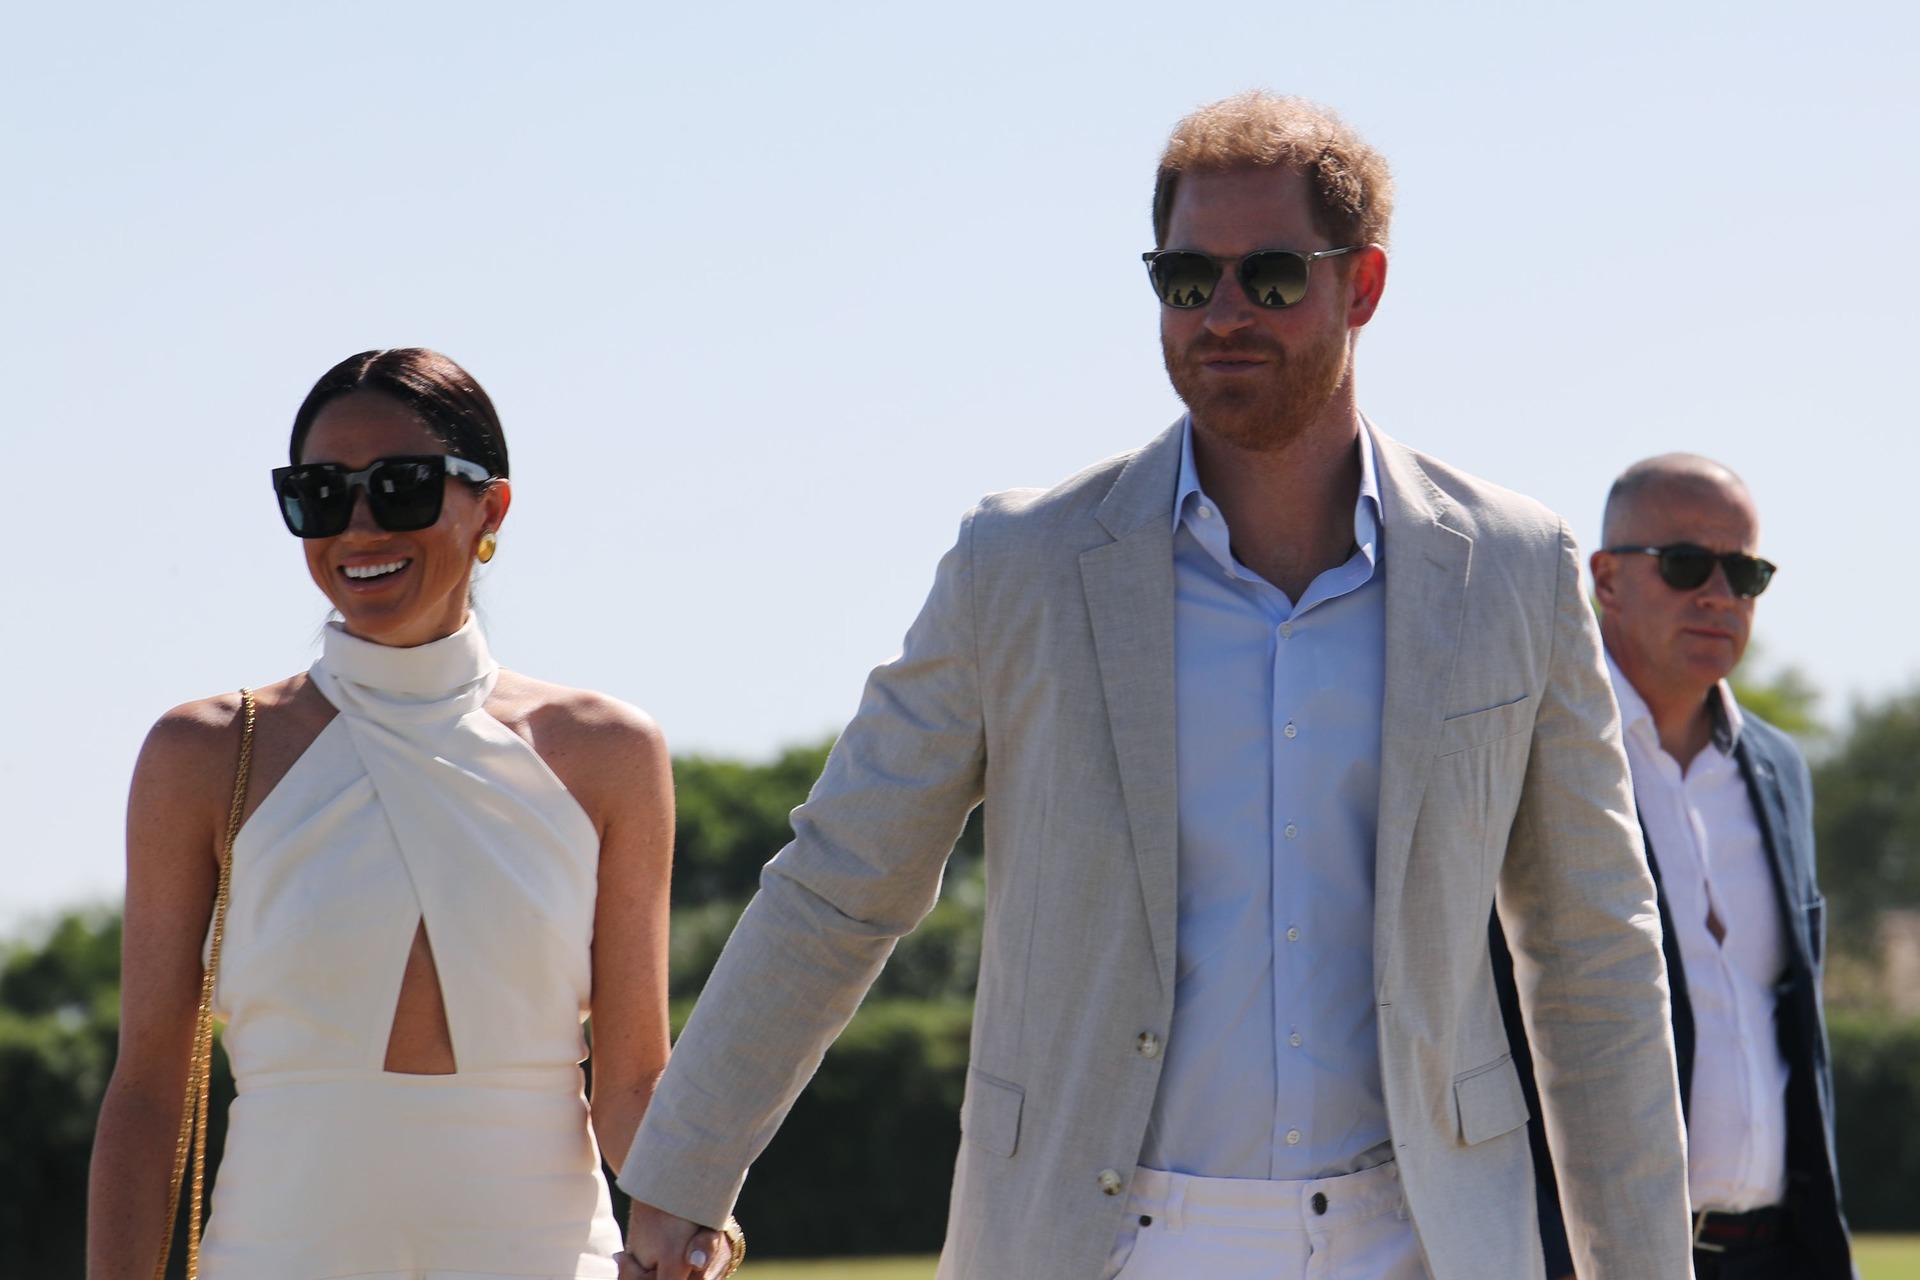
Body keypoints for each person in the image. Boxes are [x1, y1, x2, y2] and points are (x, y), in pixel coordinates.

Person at [619, 93, 1691, 1280]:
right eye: (1186, 278)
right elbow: (838, 884)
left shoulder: (1513, 567)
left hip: (1421, 1236)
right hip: (1105, 1240)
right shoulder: (1018, 564)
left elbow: (1595, 950)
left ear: (1365, 285)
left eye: (1271, 277)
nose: (1222, 313)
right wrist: (681, 1172)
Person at [85, 349, 715, 1280]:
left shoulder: (609, 753)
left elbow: (631, 1084)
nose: (361, 524)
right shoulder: (202, 754)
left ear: (490, 509)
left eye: (403, 486)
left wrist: (702, 1223)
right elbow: (146, 1097)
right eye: (321, 494)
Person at [1498, 454, 1855, 1279]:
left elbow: (1794, 1028)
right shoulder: (1533, 754)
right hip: (1594, 1254)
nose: (1719, 595)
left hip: (1775, 1253)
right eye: (1688, 563)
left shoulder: (1779, 769)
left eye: (1747, 573)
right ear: (1605, 580)